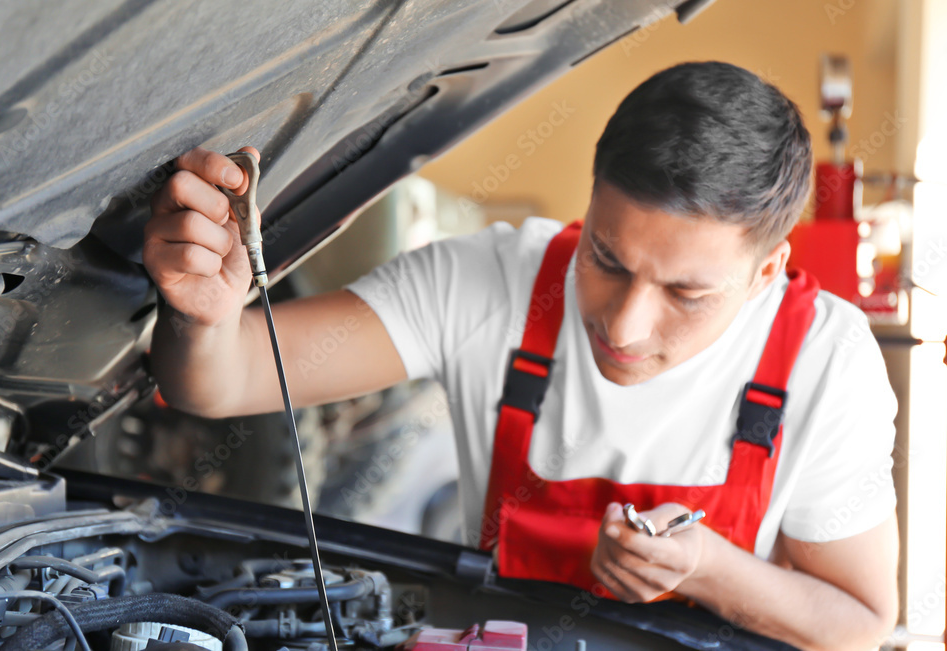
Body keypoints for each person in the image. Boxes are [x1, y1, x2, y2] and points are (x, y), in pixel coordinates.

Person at [143, 61, 899, 649]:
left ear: (766, 272)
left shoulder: (826, 365)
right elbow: (221, 381)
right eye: (606, 258)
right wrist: (204, 316)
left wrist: (710, 570)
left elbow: (858, 622)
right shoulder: (494, 284)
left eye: (687, 293)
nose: (626, 327)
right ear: (592, 196)